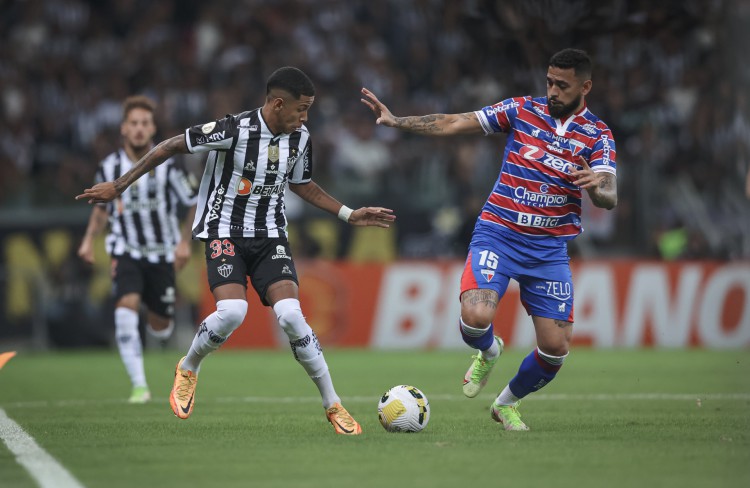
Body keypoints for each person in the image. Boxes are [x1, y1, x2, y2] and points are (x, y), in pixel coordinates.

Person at [78, 67, 396, 435]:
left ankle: (333, 403)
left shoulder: (300, 137)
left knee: (292, 318)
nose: (305, 117)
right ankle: (190, 367)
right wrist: (119, 186)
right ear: (278, 104)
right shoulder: (234, 130)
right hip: (224, 233)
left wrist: (349, 213)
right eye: (301, 109)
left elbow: (302, 184)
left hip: (271, 236)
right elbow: (168, 146)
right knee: (232, 312)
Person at [362, 48, 617, 431]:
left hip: (548, 249)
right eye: (549, 81)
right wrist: (398, 122)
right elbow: (454, 122)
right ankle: (488, 350)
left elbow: (609, 194)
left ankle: (506, 403)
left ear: (586, 86)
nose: (552, 90)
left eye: (562, 85)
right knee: (476, 315)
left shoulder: (598, 135)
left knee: (556, 348)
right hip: (499, 232)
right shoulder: (521, 109)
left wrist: (597, 188)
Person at [77, 95, 198, 404]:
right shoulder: (109, 166)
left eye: (145, 123)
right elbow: (100, 208)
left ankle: (151, 311)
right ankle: (139, 386)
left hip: (163, 254)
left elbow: (192, 203)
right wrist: (89, 239)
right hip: (126, 250)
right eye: (134, 123)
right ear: (124, 129)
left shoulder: (169, 165)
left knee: (161, 325)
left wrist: (185, 242)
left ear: (153, 128)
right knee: (125, 307)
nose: (140, 129)